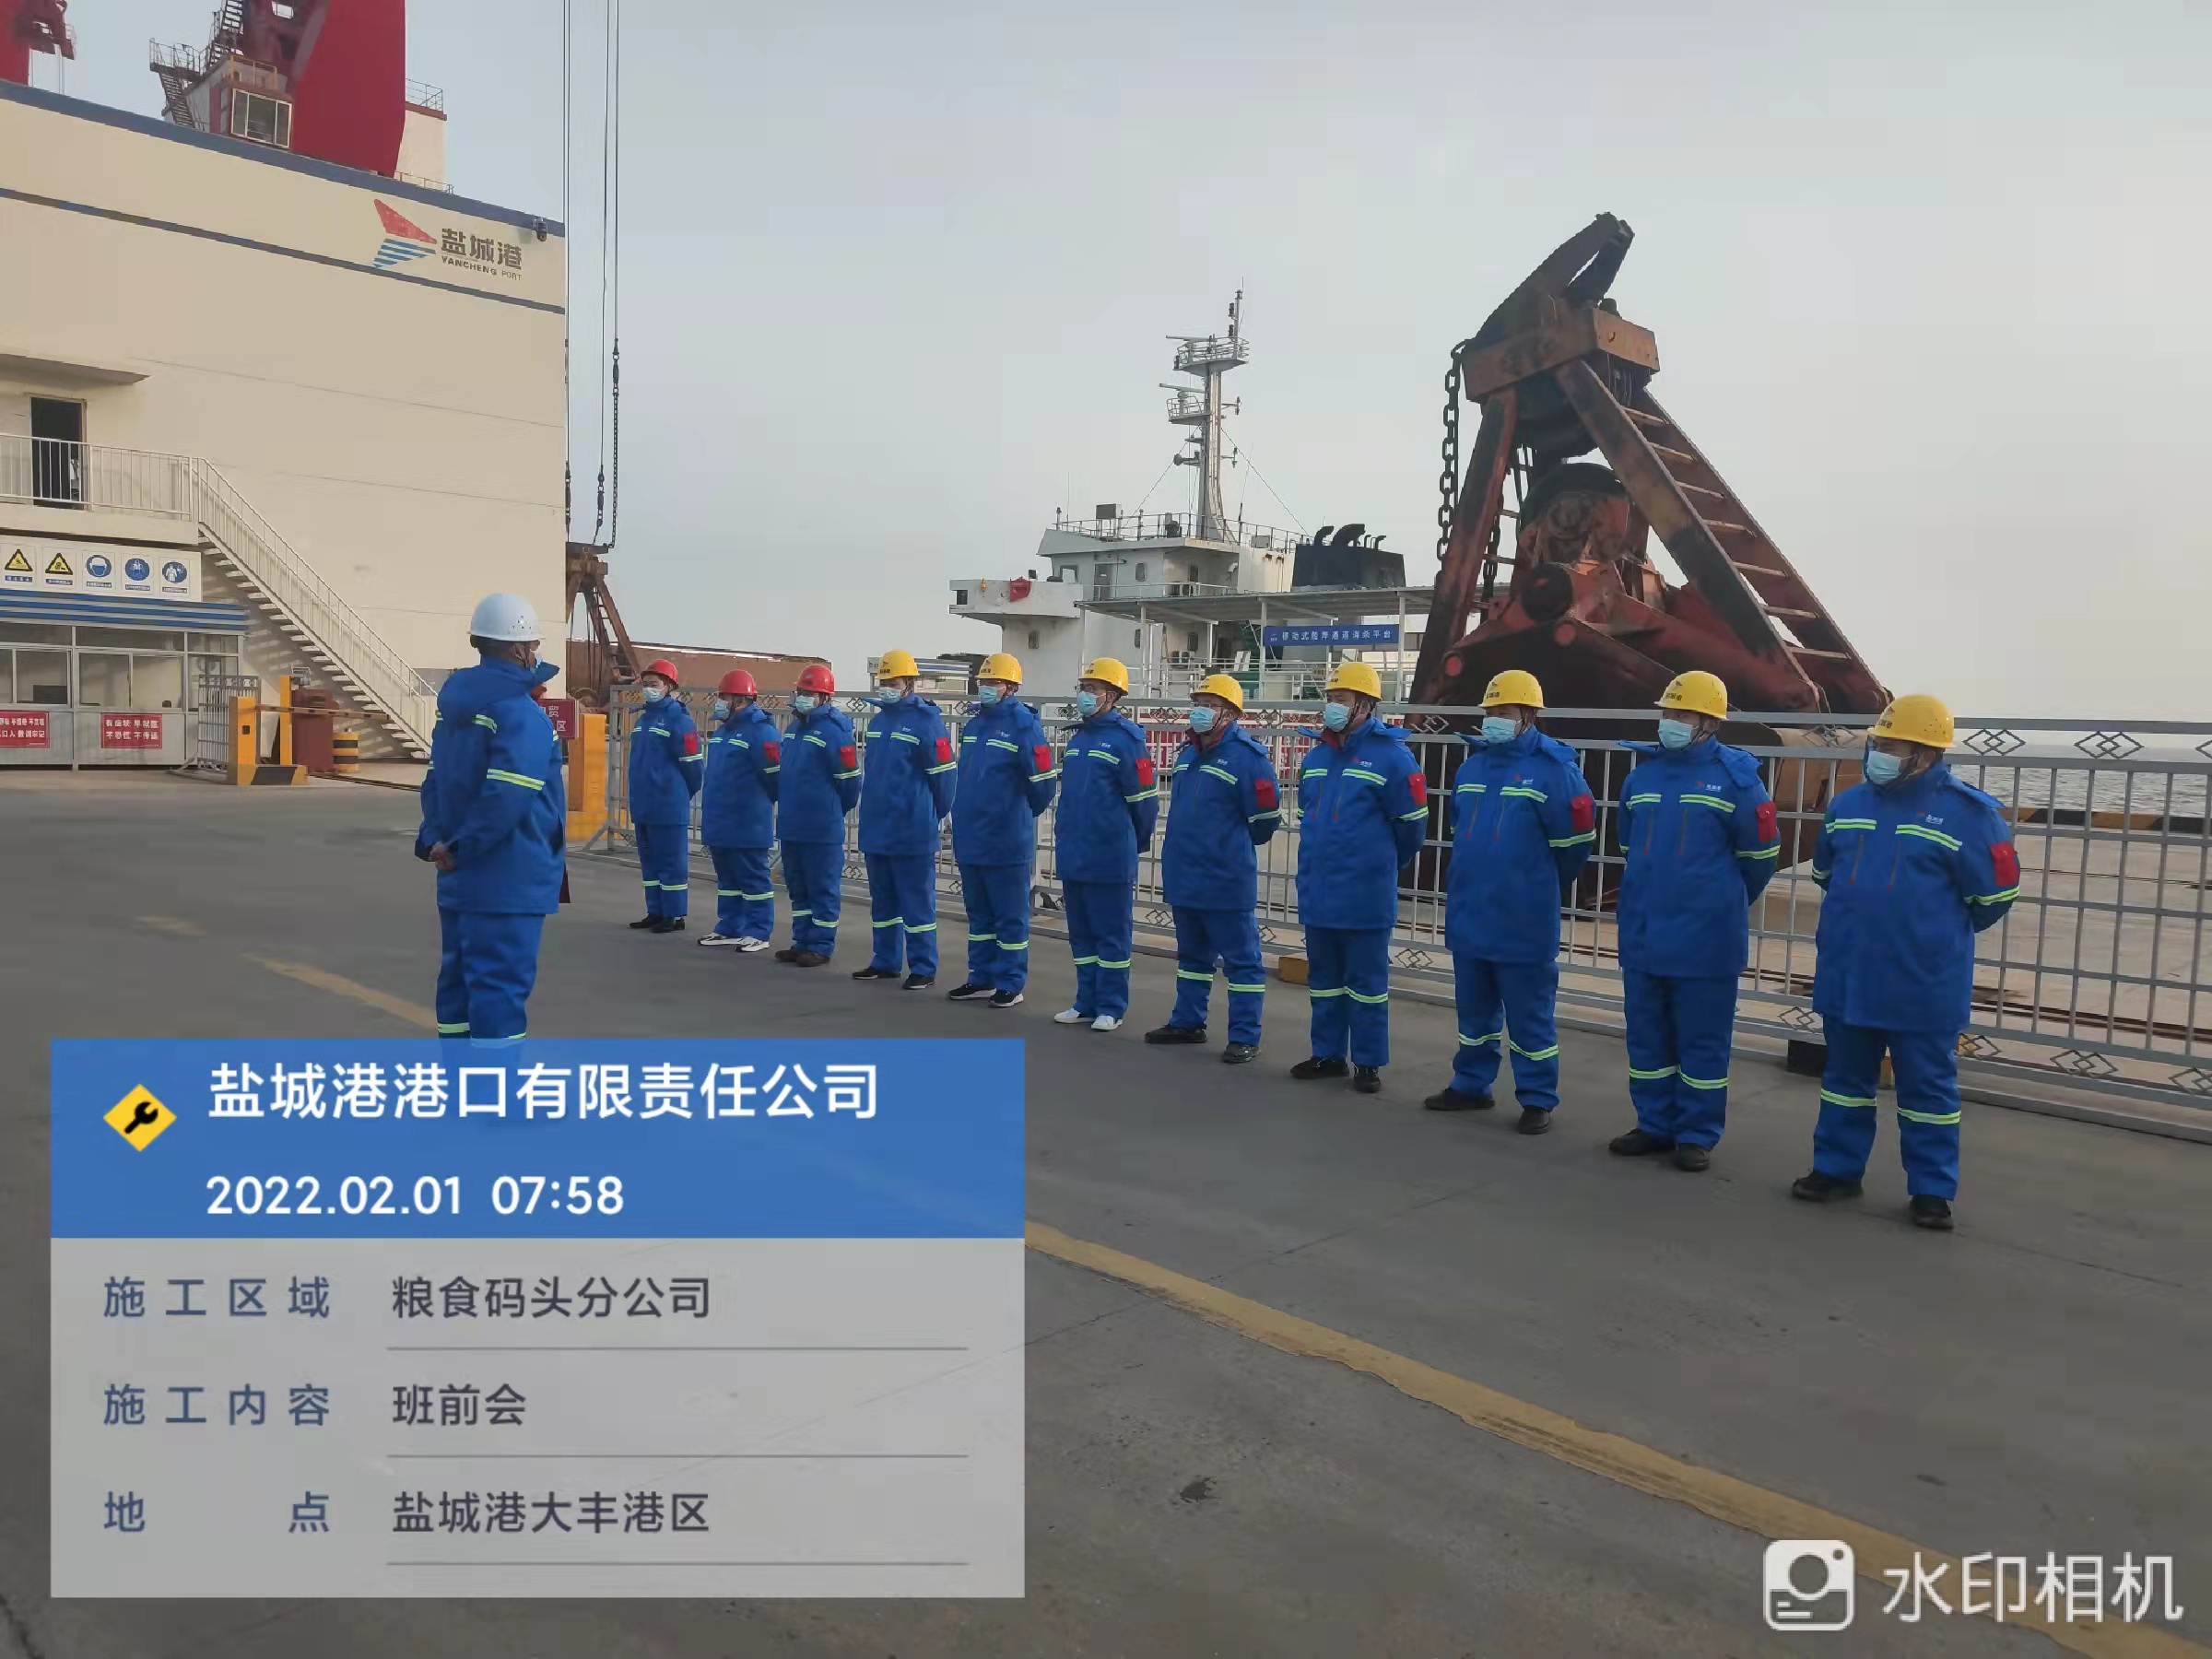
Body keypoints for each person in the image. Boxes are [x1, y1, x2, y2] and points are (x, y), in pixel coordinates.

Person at [1792, 694, 2018, 1230]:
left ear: (1926, 753)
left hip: (1922, 980)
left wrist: (1929, 935)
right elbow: (1825, 873)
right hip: (1851, 972)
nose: (1880, 753)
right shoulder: (1848, 805)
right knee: (1844, 1081)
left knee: (1927, 1091)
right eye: (1879, 742)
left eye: (1893, 745)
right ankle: (1836, 1169)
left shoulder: (1970, 816)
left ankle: (1932, 1191)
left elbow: (1994, 896)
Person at [1604, 671, 1780, 1170]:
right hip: (1645, 931)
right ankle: (1653, 1124)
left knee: (1702, 1041)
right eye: (1668, 713)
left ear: (1710, 722)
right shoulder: (1641, 777)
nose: (1671, 722)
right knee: (1647, 1037)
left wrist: (1719, 900)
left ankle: (1696, 1134)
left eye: (1682, 714)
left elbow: (1760, 857)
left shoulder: (1738, 780)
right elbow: (1628, 843)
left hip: (1706, 938)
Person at [1419, 670, 1594, 1129]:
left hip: (1523, 918)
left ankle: (1538, 1099)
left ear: (1529, 715)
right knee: (1474, 1013)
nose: (1494, 718)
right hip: (1472, 911)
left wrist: (1534, 885)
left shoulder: (1556, 771)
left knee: (1529, 1016)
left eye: (1504, 711)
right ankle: (1470, 1085)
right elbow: (1460, 830)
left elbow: (1574, 847)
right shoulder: (1472, 768)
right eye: (1490, 711)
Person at [415, 593, 566, 1044]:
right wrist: (461, 848)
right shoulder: (521, 714)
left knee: (458, 984)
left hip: (458, 875)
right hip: (510, 872)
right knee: (500, 989)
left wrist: (437, 840)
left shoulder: (455, 708)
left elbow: (436, 780)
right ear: (519, 649)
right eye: (533, 645)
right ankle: (496, 1086)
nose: (535, 653)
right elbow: (508, 796)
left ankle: (460, 1079)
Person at [1291, 661, 1428, 1093]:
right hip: (1319, 888)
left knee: (1367, 985)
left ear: (1366, 705)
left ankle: (1368, 1062)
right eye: (1330, 699)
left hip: (1365, 892)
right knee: (1324, 982)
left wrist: (1379, 864)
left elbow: (1412, 827)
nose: (1332, 707)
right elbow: (1308, 813)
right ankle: (1328, 1055)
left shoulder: (1393, 757)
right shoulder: (1317, 755)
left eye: (1341, 699)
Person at [1145, 674, 1282, 1063]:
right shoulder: (1188, 754)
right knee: (1192, 957)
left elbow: (1266, 819)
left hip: (1225, 877)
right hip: (1185, 874)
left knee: (1242, 961)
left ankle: (1244, 1036)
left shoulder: (1248, 758)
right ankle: (1187, 1022)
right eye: (1198, 703)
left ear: (1230, 713)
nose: (1200, 711)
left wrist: (1228, 847)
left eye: (1209, 704)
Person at [1050, 657, 1159, 1032]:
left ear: (1112, 695)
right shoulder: (1079, 738)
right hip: (1075, 852)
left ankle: (1111, 1005)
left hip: (1109, 854)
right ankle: (1085, 1001)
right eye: (1083, 688)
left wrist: (1131, 842)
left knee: (1111, 934)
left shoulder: (1128, 741)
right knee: (1081, 934)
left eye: (1092, 689)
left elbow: (1144, 803)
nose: (1085, 695)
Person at [947, 652, 1057, 1008]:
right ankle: (981, 977)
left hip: (1006, 839)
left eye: (994, 683)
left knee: (1010, 917)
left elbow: (1043, 784)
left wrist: (1018, 815)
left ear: (1011, 687)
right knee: (979, 916)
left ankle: (1010, 982)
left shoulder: (1025, 727)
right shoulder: (975, 725)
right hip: (972, 836)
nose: (987, 688)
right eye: (984, 682)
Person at [853, 649, 958, 989]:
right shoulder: (879, 721)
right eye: (883, 681)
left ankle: (923, 967)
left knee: (916, 904)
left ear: (909, 683)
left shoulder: (927, 722)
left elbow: (944, 777)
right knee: (883, 902)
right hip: (878, 827)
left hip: (912, 829)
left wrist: (934, 814)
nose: (886, 687)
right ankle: (884, 961)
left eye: (893, 681)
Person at [773, 661, 861, 966]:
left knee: (822, 888)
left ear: (825, 697)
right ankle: (802, 941)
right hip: (792, 824)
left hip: (821, 826)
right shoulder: (794, 728)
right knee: (798, 888)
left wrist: (833, 809)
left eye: (809, 693)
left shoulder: (835, 732)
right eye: (800, 691)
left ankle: (821, 945)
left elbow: (850, 782)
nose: (803, 697)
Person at [697, 668, 781, 951]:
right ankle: (729, 927)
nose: (720, 702)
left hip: (747, 821)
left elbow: (774, 778)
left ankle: (758, 931)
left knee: (753, 878)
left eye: (725, 697)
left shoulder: (762, 732)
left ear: (741, 699)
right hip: (720, 820)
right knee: (728, 880)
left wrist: (756, 806)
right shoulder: (722, 731)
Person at [625, 657, 703, 934]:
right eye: (645, 684)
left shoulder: (680, 721)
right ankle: (655, 911)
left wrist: (678, 793)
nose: (648, 689)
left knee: (671, 863)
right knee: (649, 863)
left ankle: (674, 914)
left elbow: (694, 767)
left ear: (669, 686)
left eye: (654, 684)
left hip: (668, 805)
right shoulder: (643, 719)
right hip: (643, 805)